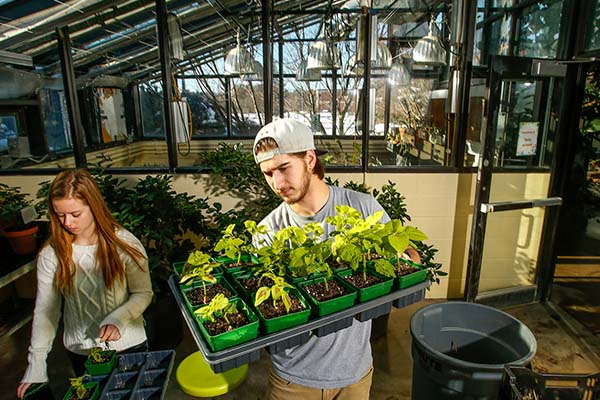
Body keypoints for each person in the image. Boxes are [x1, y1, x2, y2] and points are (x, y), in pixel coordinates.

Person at [252, 118, 420, 399]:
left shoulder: (361, 208)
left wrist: (406, 260)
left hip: (354, 374)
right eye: (268, 174)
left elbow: (409, 253)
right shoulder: (268, 231)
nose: (277, 183)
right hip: (292, 380)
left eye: (283, 168)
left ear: (309, 158)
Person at [17, 169, 153, 399]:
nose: (67, 222)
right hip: (81, 351)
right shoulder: (52, 254)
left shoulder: (125, 244)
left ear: (94, 207)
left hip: (130, 346)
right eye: (60, 215)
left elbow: (143, 293)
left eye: (75, 214)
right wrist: (37, 364)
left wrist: (117, 319)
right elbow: (46, 312)